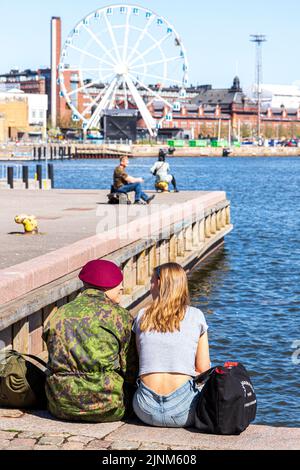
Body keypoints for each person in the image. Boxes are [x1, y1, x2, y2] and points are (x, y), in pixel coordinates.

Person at [43, 259, 138, 422]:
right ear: (107, 287)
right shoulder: (120, 317)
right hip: (109, 407)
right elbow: (130, 369)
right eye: (118, 285)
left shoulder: (59, 314)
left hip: (60, 405)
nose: (122, 288)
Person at [132, 262, 210, 428]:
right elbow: (203, 369)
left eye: (152, 281)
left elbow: (142, 361)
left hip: (145, 408)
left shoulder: (141, 316)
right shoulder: (196, 316)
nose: (150, 286)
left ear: (160, 283)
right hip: (182, 411)